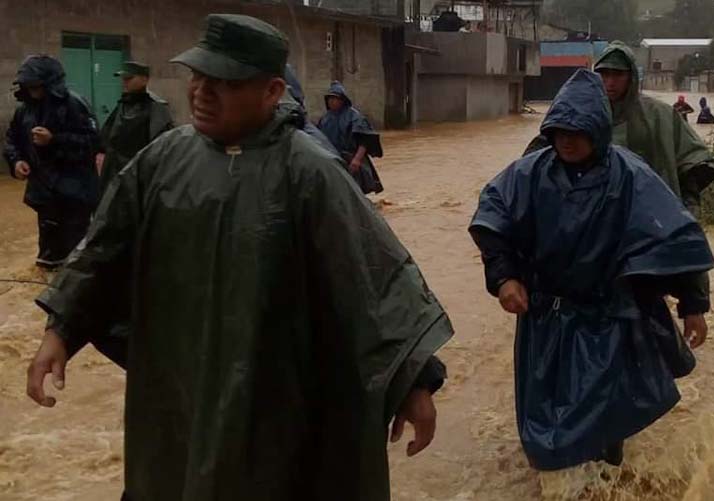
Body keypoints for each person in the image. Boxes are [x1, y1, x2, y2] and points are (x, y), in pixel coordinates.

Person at [25, 14, 452, 500]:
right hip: (180, 382)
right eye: (198, 77)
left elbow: (375, 280)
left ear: (272, 92)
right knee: (177, 475)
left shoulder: (310, 172)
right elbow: (103, 251)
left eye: (223, 82)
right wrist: (60, 330)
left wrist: (417, 381)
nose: (201, 92)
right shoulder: (162, 161)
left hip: (278, 394)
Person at [470, 69, 714, 470]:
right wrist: (504, 278)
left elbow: (673, 238)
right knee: (545, 419)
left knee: (606, 421)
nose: (567, 139)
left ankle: (605, 481)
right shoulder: (528, 174)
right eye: (560, 130)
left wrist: (693, 303)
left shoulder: (631, 176)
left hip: (611, 318)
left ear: (599, 128)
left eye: (578, 130)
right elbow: (493, 221)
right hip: (546, 319)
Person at [525, 41, 714, 217]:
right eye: (604, 74)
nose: (610, 82)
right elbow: (538, 157)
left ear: (631, 77)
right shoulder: (577, 111)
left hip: (651, 214)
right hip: (591, 214)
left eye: (618, 75)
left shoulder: (660, 115)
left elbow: (694, 162)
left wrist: (688, 205)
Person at [3, 55, 100, 270]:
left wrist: (54, 139)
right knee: (49, 252)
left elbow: (94, 141)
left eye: (36, 86)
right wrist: (17, 160)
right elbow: (12, 138)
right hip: (44, 190)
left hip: (75, 190)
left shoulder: (74, 105)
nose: (31, 91)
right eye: (27, 86)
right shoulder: (25, 110)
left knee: (77, 252)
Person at [96, 61, 174, 196]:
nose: (124, 82)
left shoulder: (156, 108)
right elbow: (107, 137)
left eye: (129, 79)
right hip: (115, 174)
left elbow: (161, 147)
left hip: (138, 177)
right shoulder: (123, 105)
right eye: (123, 79)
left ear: (144, 79)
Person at [317, 81, 385, 194]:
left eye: (335, 98)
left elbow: (364, 139)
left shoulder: (354, 116)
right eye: (330, 98)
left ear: (342, 100)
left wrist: (357, 159)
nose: (332, 101)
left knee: (354, 191)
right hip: (332, 160)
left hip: (351, 158)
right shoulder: (324, 119)